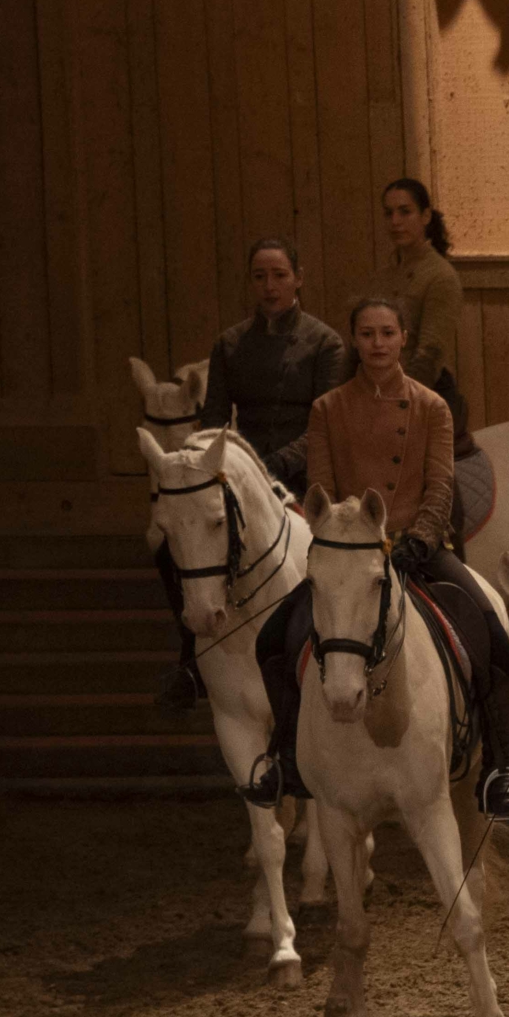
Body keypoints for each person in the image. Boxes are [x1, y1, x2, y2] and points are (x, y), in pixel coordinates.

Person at [241, 297, 509, 820]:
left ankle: (502, 766)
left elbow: (441, 483)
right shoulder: (328, 408)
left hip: (418, 549)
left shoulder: (431, 406)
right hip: (352, 554)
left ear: (401, 340)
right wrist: (345, 542)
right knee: (272, 641)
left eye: (388, 333)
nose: (378, 343)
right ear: (355, 340)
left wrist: (419, 536)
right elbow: (323, 489)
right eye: (368, 334)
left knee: (491, 631)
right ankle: (286, 756)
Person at [152, 237, 345, 712]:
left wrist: (274, 467)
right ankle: (191, 661)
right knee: (167, 548)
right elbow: (215, 421)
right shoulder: (230, 344)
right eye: (259, 276)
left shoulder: (325, 343)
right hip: (238, 476)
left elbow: (325, 425)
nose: (270, 286)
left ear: (298, 278)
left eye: (279, 275)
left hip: (304, 475)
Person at [360, 178, 471, 445]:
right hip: (376, 391)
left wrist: (394, 404)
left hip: (423, 395)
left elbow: (429, 354)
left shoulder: (440, 276)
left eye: (405, 211)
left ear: (425, 216)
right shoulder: (381, 277)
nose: (395, 221)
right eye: (389, 213)